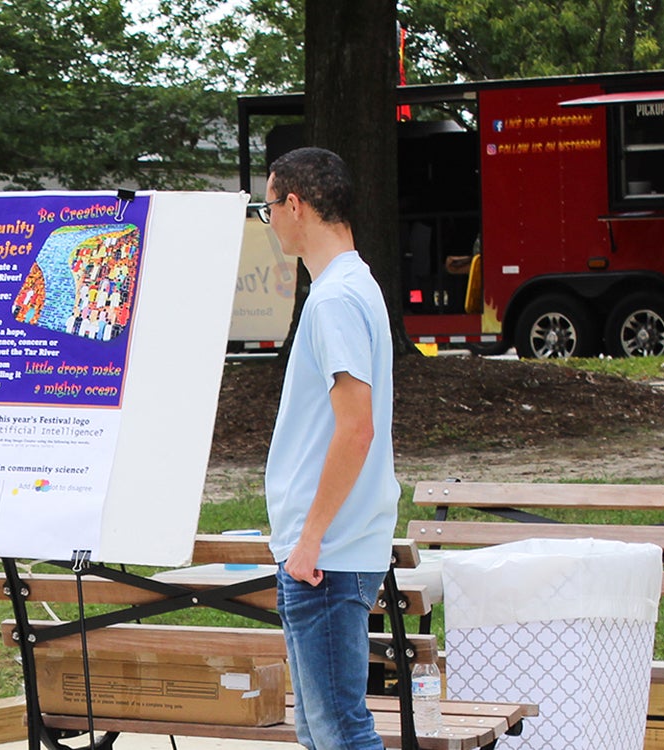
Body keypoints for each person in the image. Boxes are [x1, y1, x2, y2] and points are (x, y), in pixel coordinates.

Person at [260, 146, 398, 750]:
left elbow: (356, 427)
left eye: (269, 209)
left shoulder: (336, 298)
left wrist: (310, 536)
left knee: (339, 731)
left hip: (327, 554)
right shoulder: (352, 286)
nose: (270, 224)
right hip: (330, 550)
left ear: (295, 206)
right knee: (319, 731)